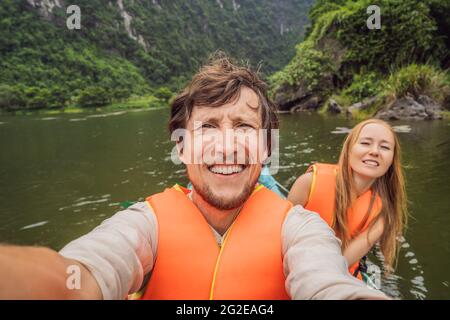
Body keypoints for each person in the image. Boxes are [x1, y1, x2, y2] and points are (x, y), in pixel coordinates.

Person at [0, 56, 388, 300]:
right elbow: (80, 274)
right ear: (182, 146)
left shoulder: (301, 229)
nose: (227, 145)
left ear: (266, 149)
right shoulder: (143, 224)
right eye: (207, 128)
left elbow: (326, 282)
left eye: (244, 127)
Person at [288, 119, 407, 278]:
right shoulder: (309, 182)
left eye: (384, 147)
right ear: (349, 149)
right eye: (365, 143)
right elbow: (279, 238)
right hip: (293, 265)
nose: (375, 151)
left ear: (392, 160)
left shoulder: (383, 212)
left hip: (335, 274)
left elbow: (343, 261)